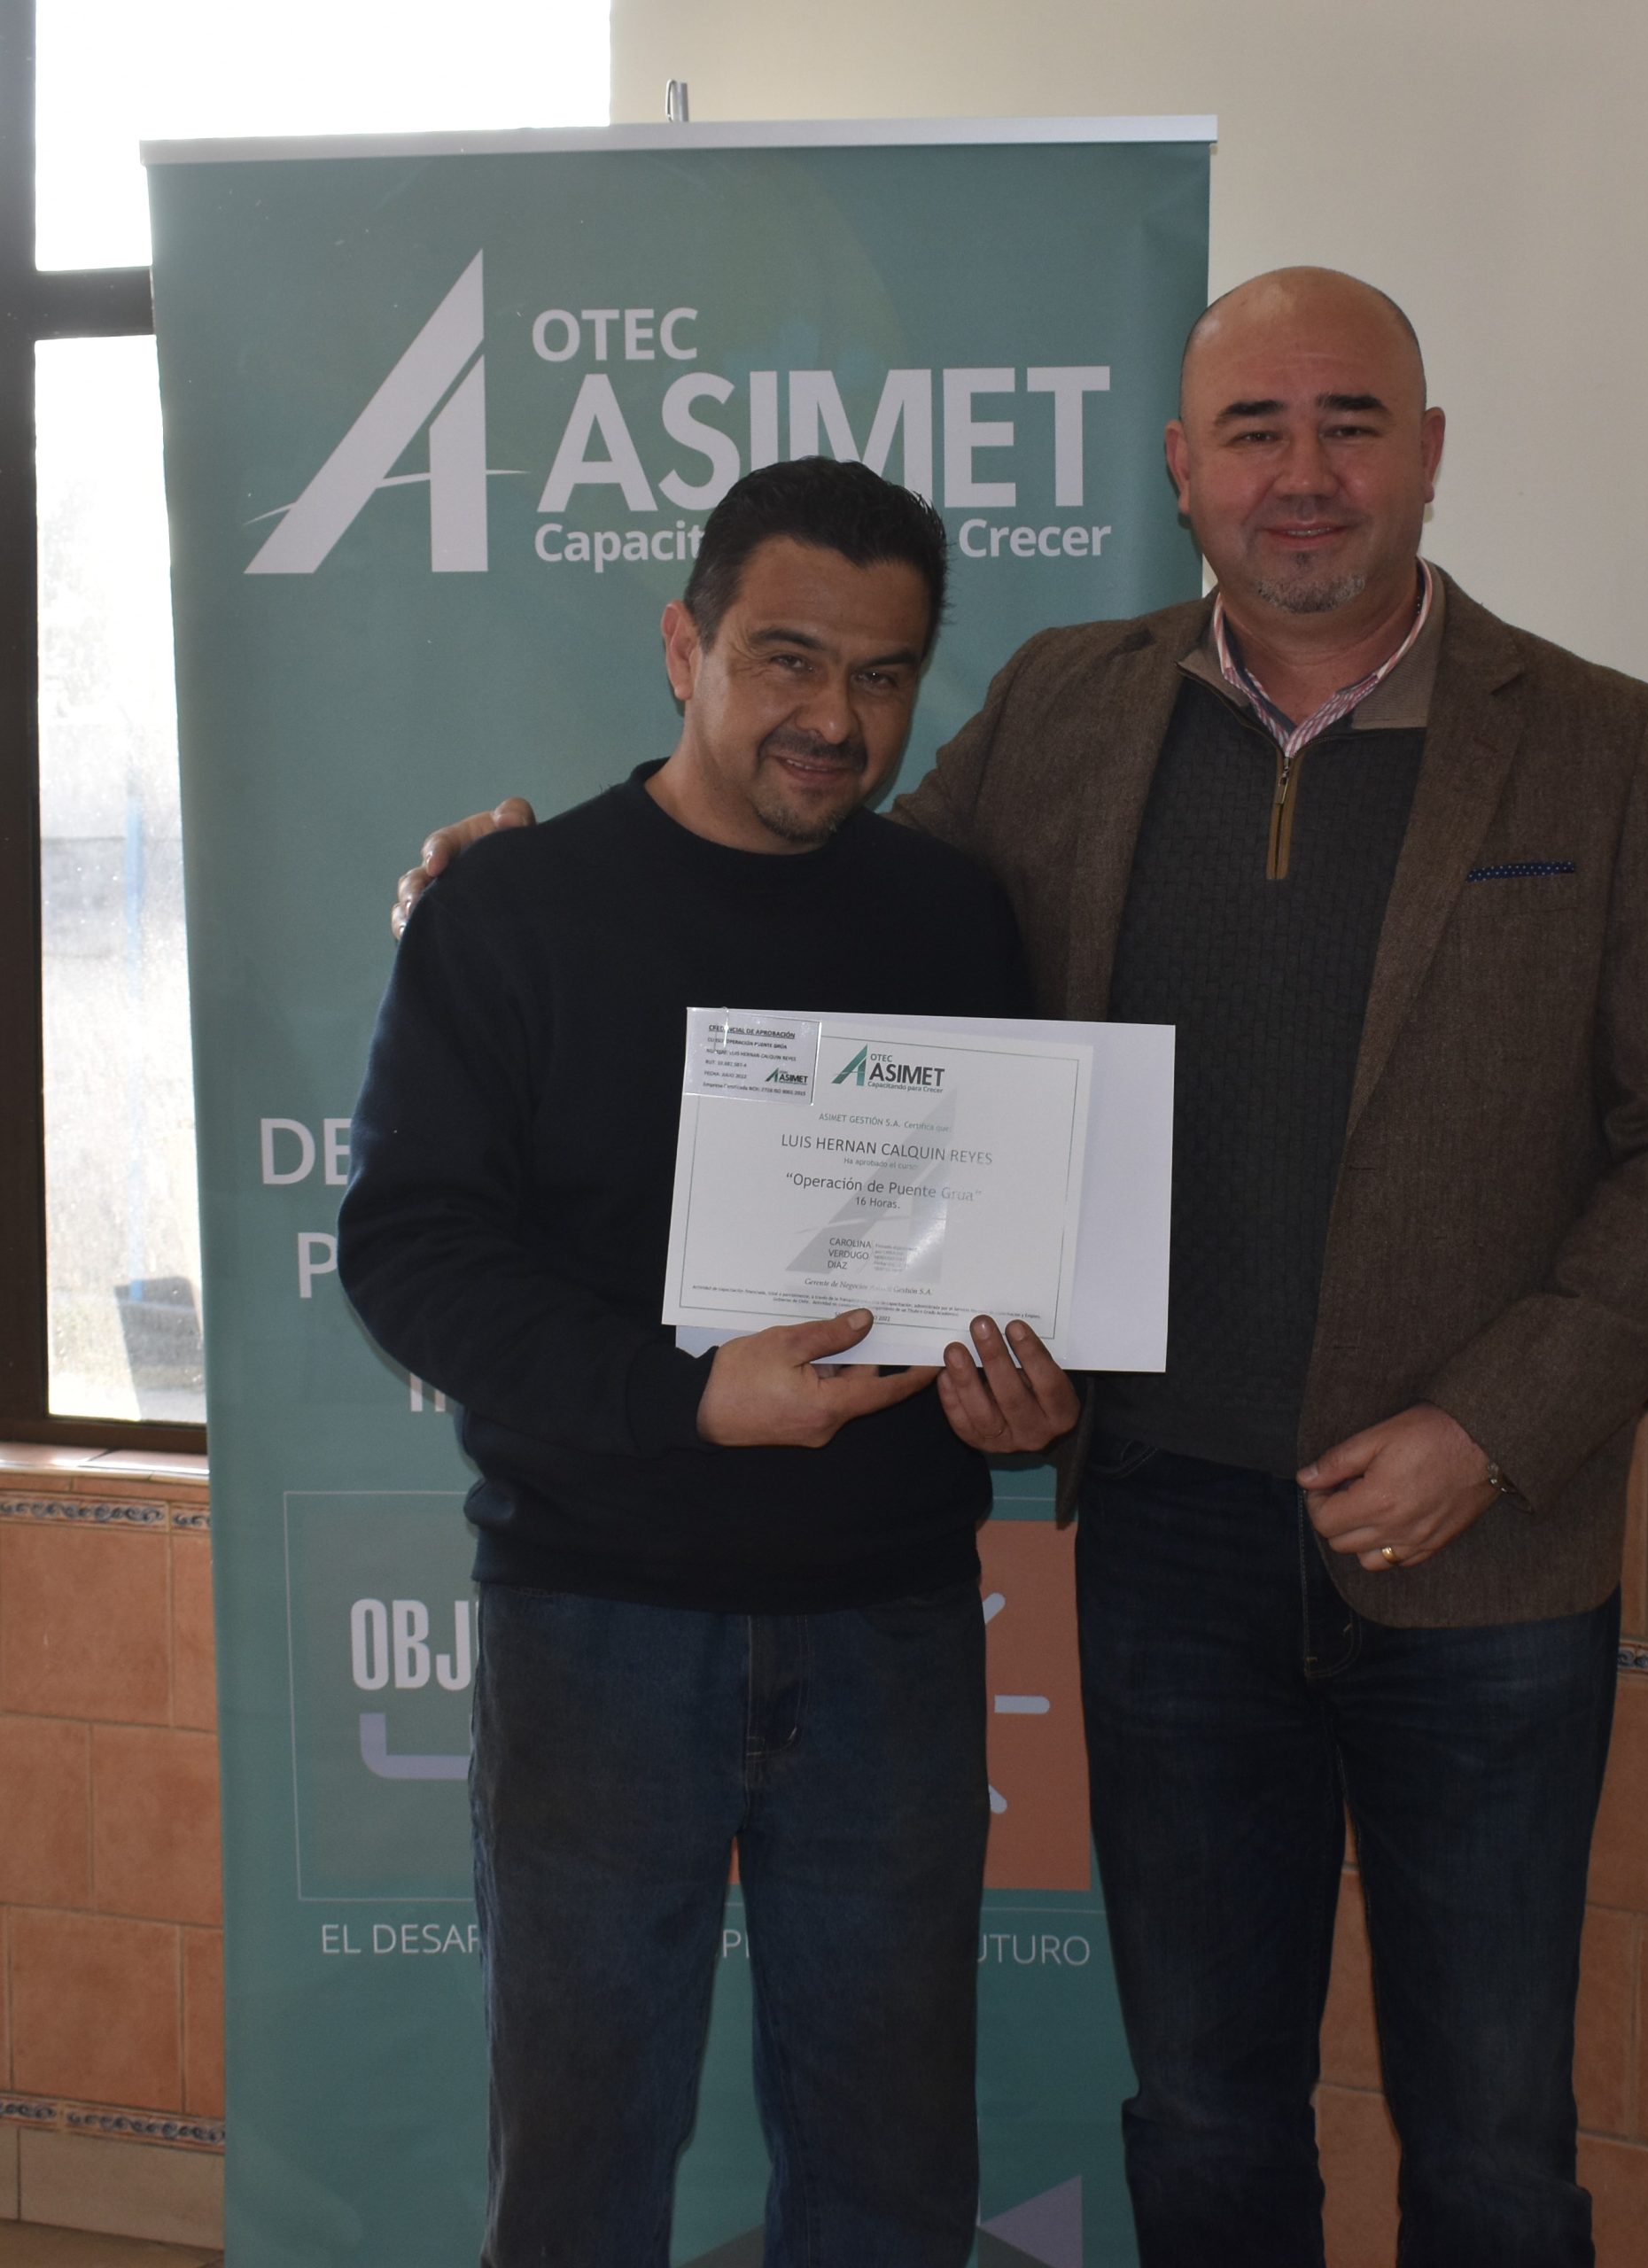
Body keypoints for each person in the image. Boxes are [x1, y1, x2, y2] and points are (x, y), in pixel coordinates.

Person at [394, 271, 1648, 2268]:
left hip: (1478, 1554)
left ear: (1426, 453)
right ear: (1180, 469)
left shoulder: (1597, 744)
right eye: (1253, 430)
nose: (1302, 473)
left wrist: (1495, 1424)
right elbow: (795, 873)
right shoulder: (1065, 706)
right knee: (1203, 2114)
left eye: (1349, 423)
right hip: (1167, 1544)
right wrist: (506, 880)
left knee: (1493, 2136)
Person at [341, 457, 1078, 2268]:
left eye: (883, 674)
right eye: (785, 658)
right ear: (683, 646)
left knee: (891, 2170)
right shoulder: (512, 911)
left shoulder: (956, 917)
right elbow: (411, 1252)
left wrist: (1025, 1389)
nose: (835, 717)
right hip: (596, 1625)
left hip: (893, 1624)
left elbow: (1002, 1254)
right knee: (581, 2167)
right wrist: (688, 1396)